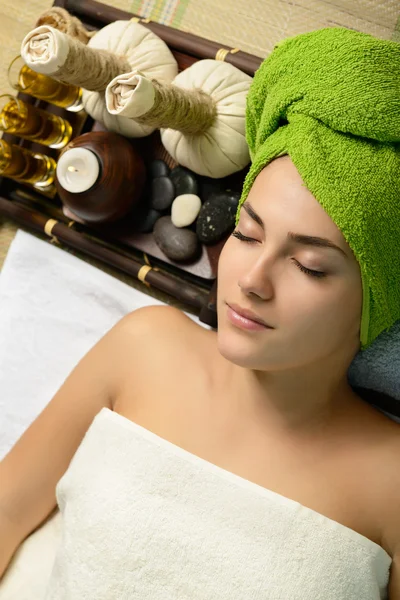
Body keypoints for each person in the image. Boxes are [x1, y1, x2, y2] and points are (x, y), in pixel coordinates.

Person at [1, 26, 399, 600]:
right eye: (248, 232)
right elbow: (8, 505)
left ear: (379, 298)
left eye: (310, 266)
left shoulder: (391, 483)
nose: (254, 281)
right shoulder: (146, 347)